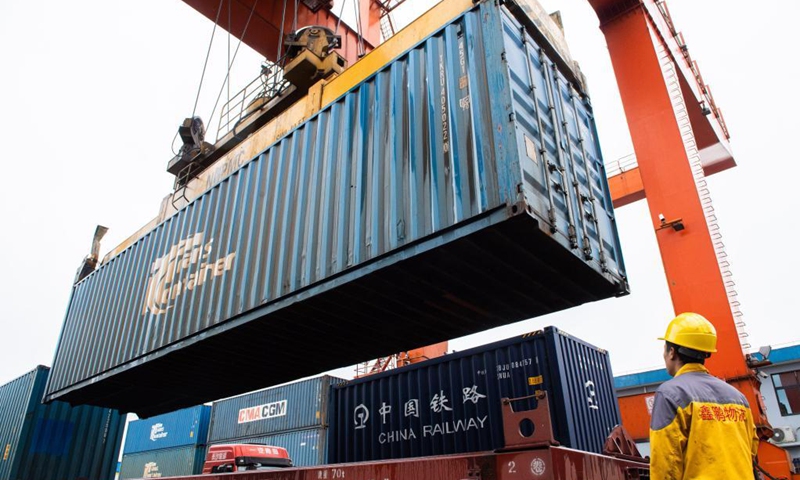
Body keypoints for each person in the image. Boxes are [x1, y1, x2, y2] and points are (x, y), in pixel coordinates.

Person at [649, 312, 759, 480]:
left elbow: (666, 464)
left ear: (672, 352)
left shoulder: (670, 394)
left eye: (665, 349)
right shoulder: (738, 397)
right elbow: (751, 449)